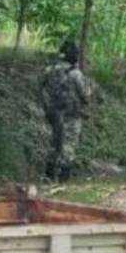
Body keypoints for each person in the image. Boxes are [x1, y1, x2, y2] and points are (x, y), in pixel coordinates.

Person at [40, 38, 90, 182]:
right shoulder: (76, 74)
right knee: (68, 146)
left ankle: (48, 175)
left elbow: (40, 88)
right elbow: (85, 95)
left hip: (53, 114)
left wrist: (46, 106)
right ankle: (63, 178)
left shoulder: (49, 70)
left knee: (54, 144)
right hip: (71, 115)